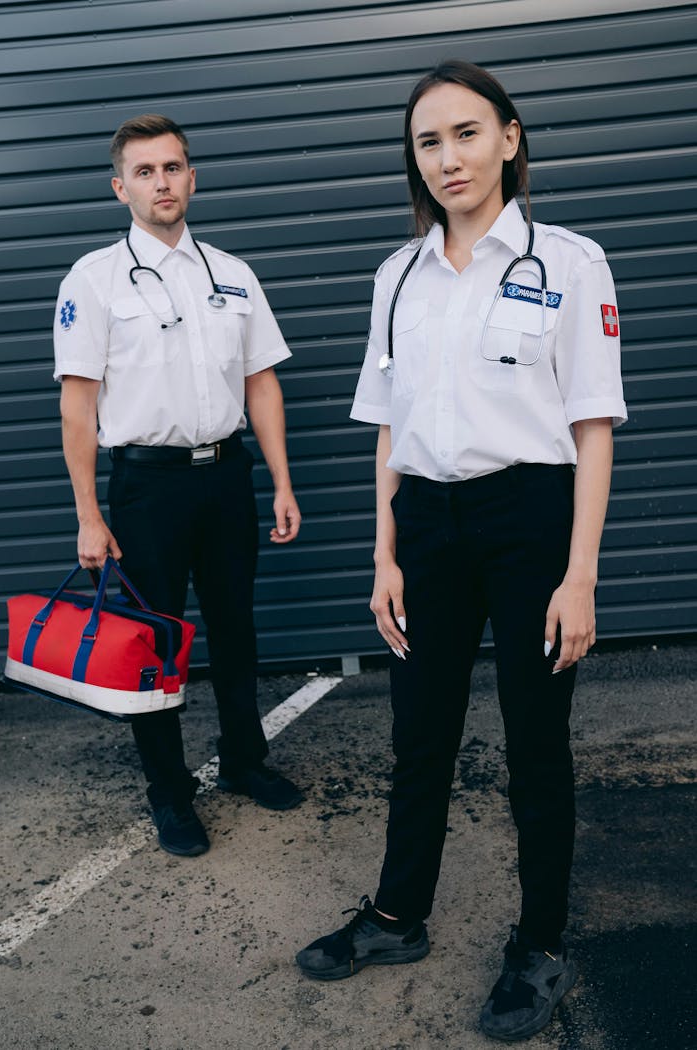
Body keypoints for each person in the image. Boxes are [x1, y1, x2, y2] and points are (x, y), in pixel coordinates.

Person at [296, 61, 626, 1041]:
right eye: (428, 140)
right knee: (419, 735)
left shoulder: (568, 262)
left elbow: (594, 423)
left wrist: (579, 573)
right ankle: (398, 916)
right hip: (428, 526)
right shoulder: (399, 276)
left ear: (510, 140)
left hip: (531, 519)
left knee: (534, 746)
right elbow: (388, 428)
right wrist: (384, 554)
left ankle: (542, 942)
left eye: (467, 133)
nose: (448, 157)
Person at [54, 114, 303, 859]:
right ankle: (170, 793)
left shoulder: (233, 274)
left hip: (227, 479)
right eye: (145, 171)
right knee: (152, 646)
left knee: (236, 632)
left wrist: (281, 481)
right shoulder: (93, 281)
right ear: (120, 187)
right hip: (146, 491)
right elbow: (77, 405)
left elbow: (261, 384)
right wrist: (88, 515)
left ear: (192, 177)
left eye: (173, 167)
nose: (162, 182)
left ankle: (245, 761)